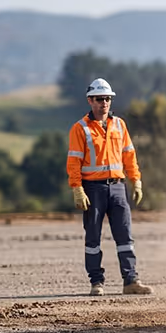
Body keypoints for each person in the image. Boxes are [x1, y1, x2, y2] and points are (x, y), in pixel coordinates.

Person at [67, 78, 151, 296]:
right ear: (90, 101)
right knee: (93, 237)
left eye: (107, 99)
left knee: (125, 236)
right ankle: (96, 282)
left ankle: (130, 280)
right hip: (93, 189)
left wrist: (136, 180)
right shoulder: (80, 128)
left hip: (117, 188)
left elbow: (129, 155)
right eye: (99, 99)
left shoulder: (119, 125)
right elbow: (74, 161)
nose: (104, 103)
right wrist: (77, 188)